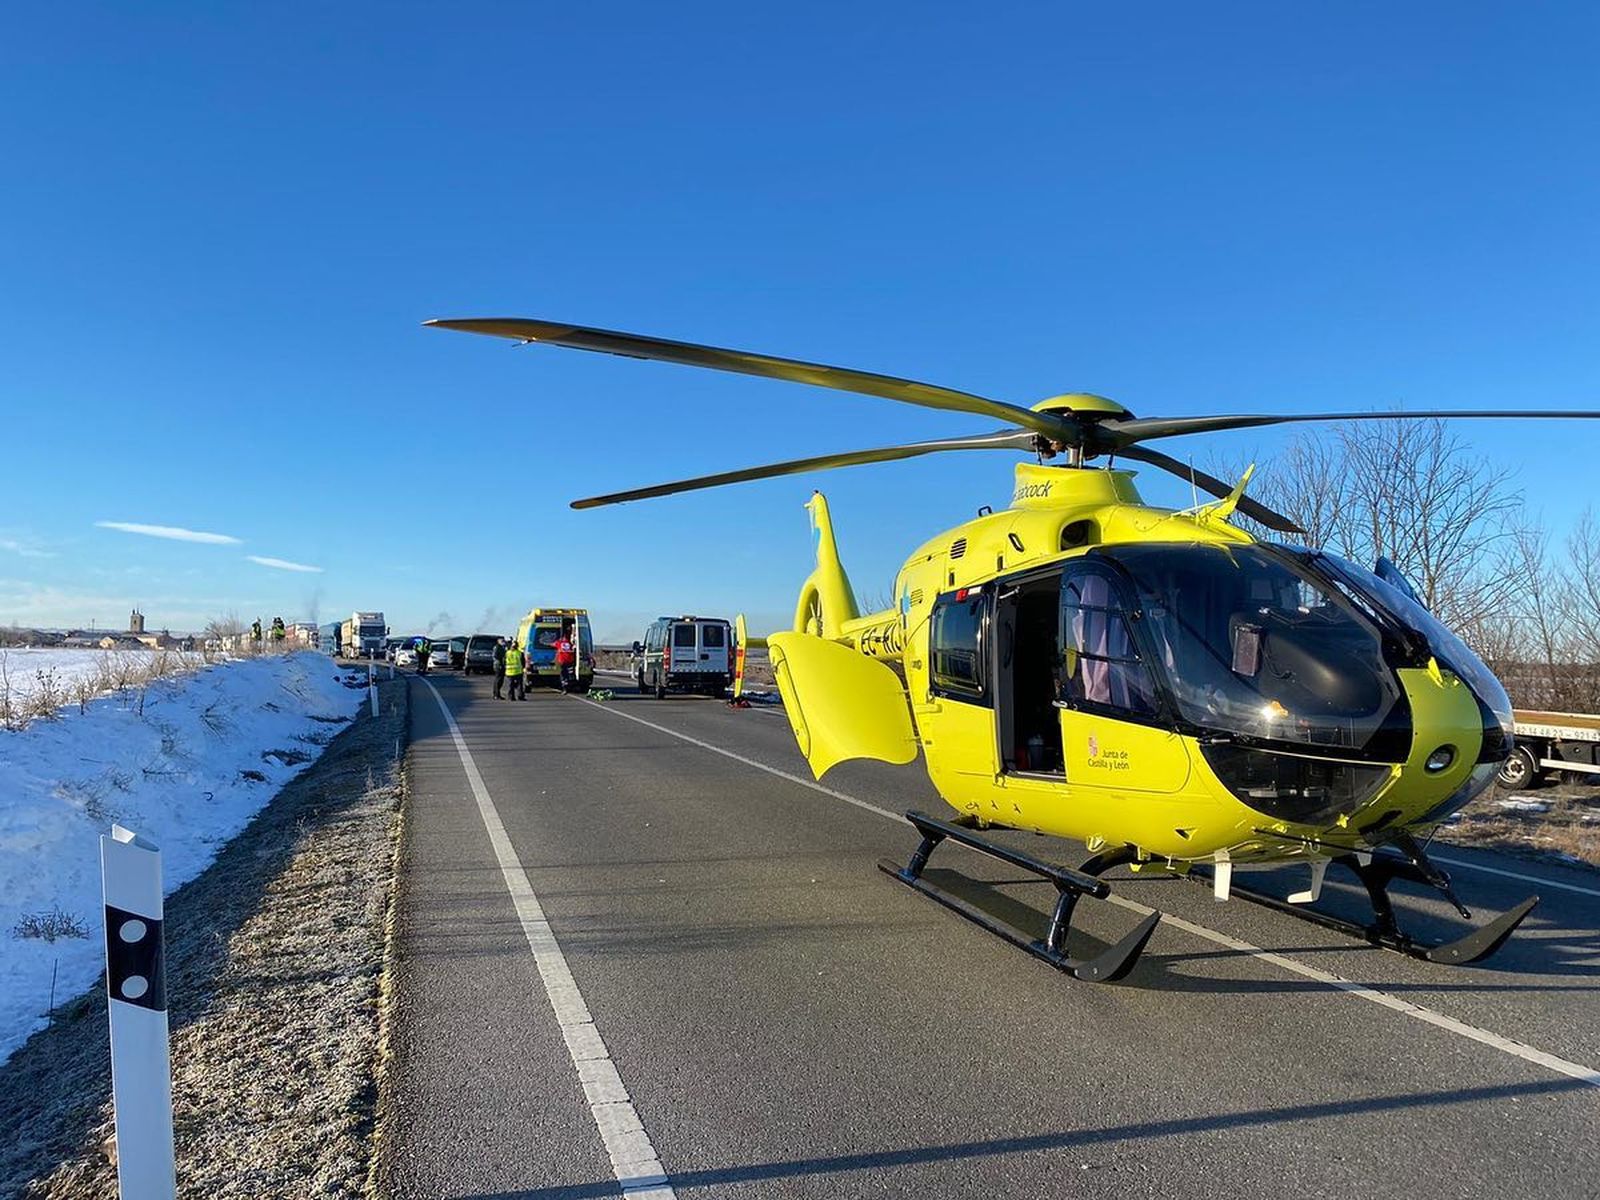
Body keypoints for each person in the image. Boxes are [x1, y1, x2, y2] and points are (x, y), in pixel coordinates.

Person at [554, 623, 576, 693]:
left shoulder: (559, 643)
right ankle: (570, 685)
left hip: (562, 661)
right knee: (569, 674)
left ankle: (565, 688)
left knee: (563, 675)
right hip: (570, 661)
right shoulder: (570, 644)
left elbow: (552, 644)